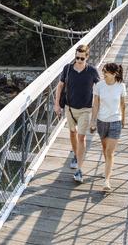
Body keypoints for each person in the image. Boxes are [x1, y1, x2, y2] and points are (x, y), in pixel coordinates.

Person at [54, 44, 100, 183]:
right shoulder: (68, 68)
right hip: (69, 108)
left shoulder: (92, 71)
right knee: (72, 133)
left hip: (85, 109)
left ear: (87, 57)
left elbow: (99, 89)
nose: (78, 61)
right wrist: (57, 104)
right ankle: (75, 154)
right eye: (77, 57)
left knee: (81, 138)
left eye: (81, 58)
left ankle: (79, 170)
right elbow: (60, 86)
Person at [90, 62, 126, 191]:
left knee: (110, 152)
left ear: (114, 73)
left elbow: (123, 104)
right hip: (101, 121)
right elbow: (95, 105)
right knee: (105, 149)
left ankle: (107, 181)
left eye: (106, 72)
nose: (103, 74)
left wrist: (124, 119)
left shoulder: (121, 86)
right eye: (103, 71)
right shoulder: (99, 86)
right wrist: (92, 121)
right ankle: (107, 168)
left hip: (116, 121)